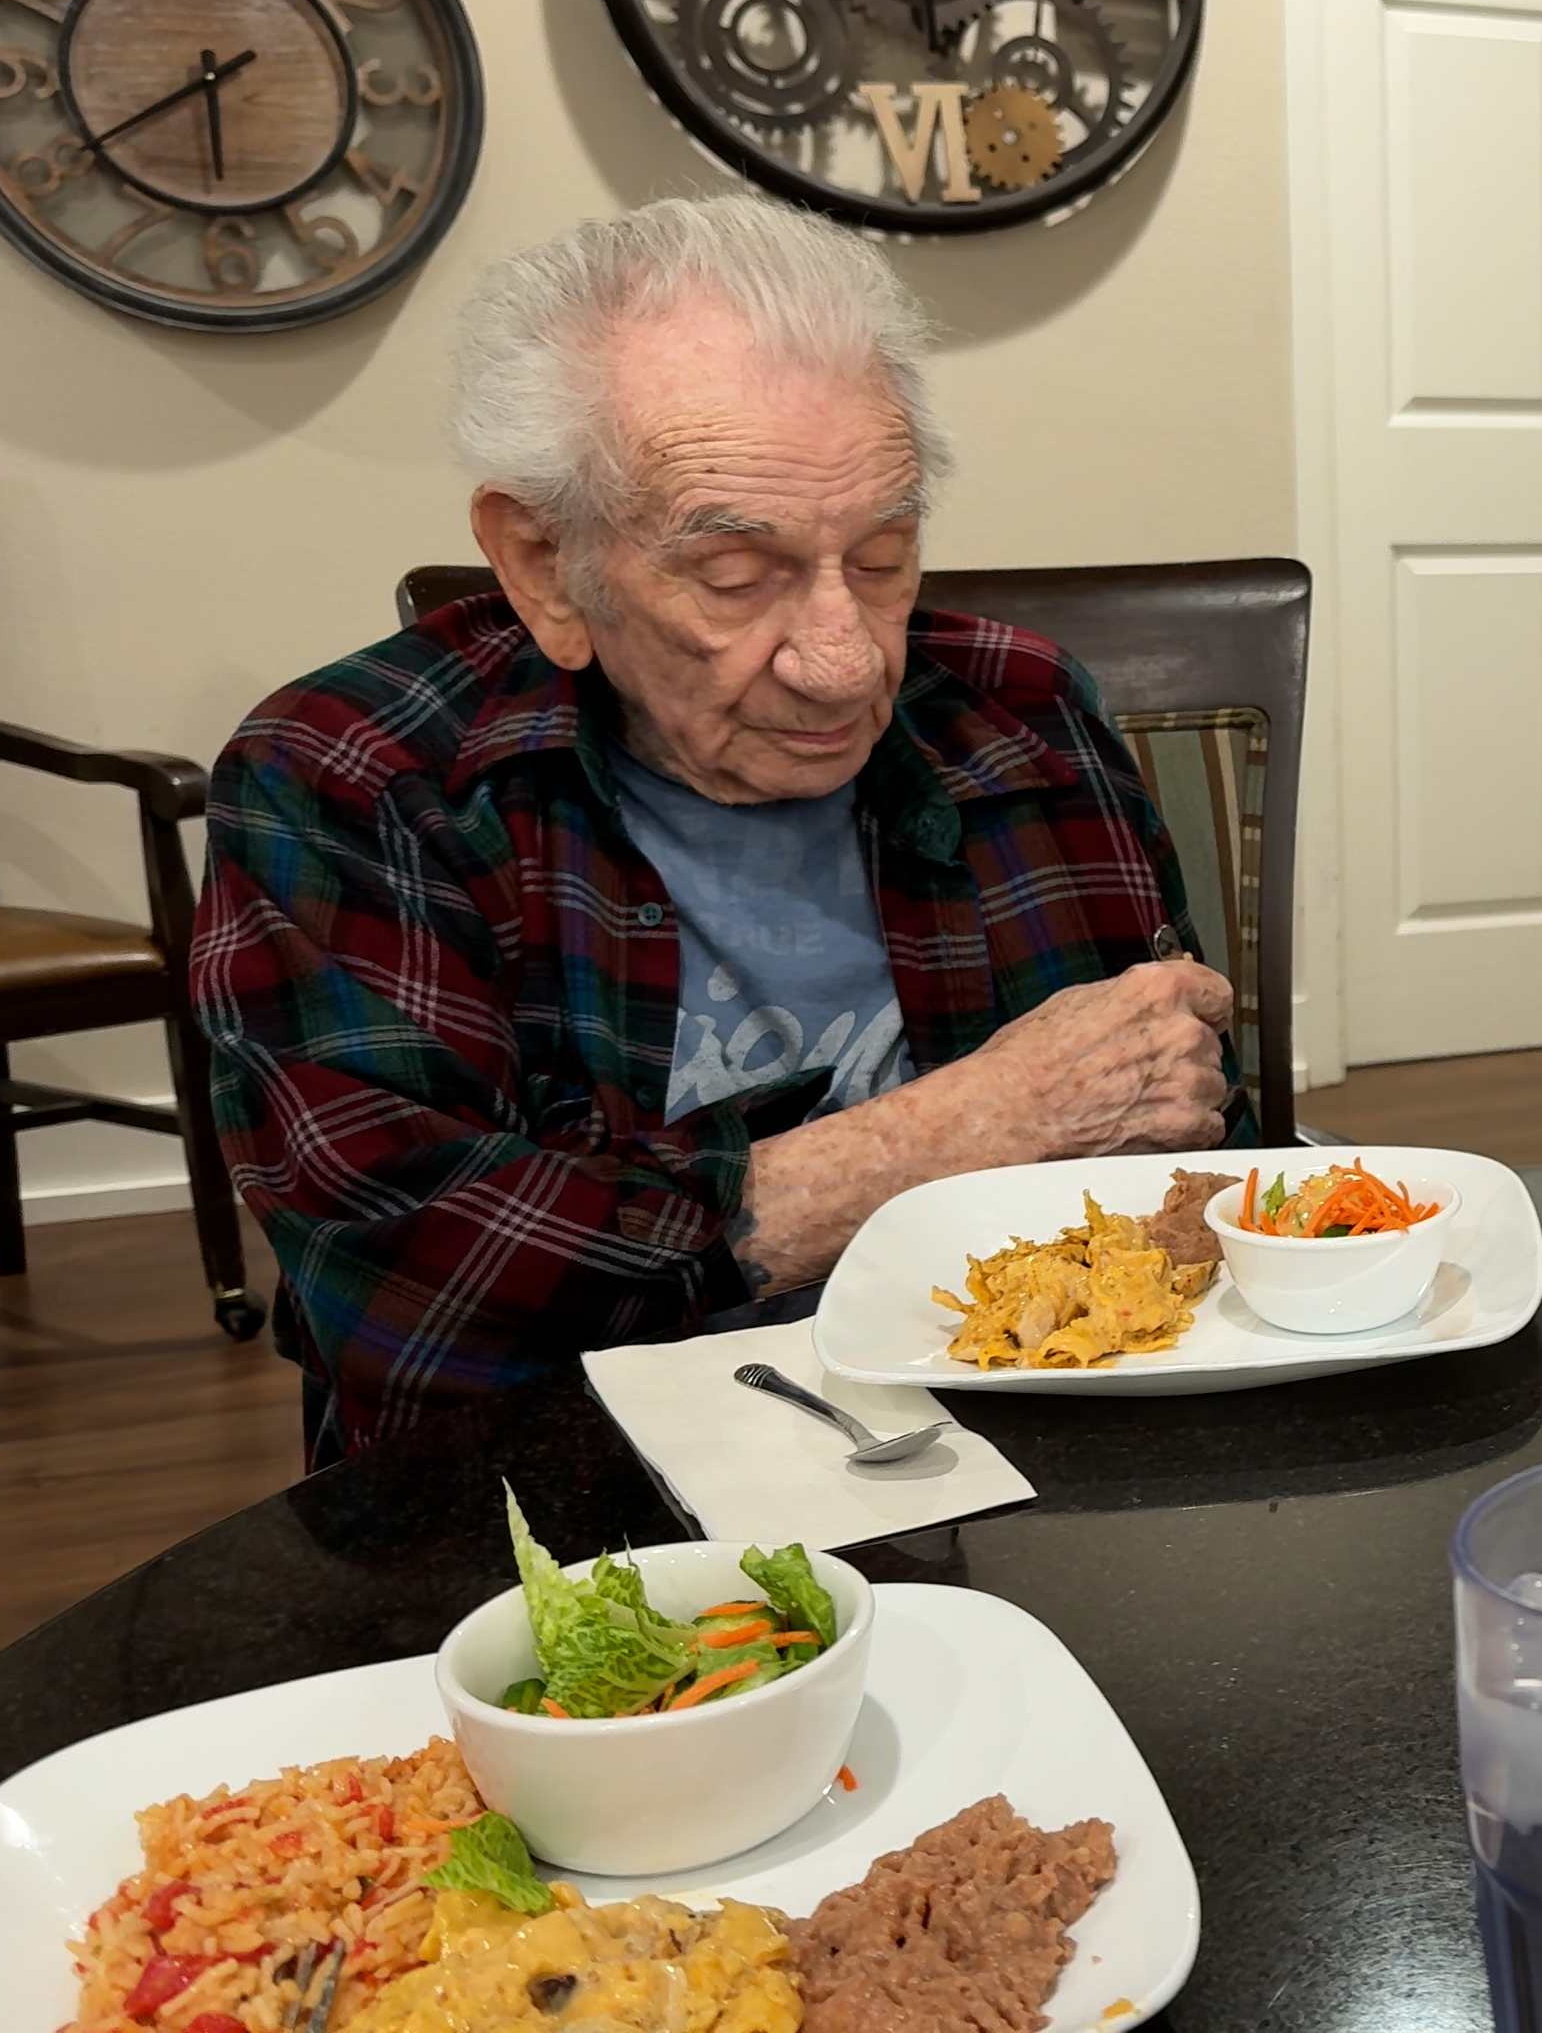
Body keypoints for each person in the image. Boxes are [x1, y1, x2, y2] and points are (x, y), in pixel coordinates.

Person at [198, 195, 1245, 1461]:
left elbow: (1178, 1136)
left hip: (1033, 1432)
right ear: (542, 564)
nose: (845, 661)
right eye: (736, 578)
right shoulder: (352, 779)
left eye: (883, 554)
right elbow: (419, 1298)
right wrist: (957, 1131)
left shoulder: (1016, 713)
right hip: (585, 1491)